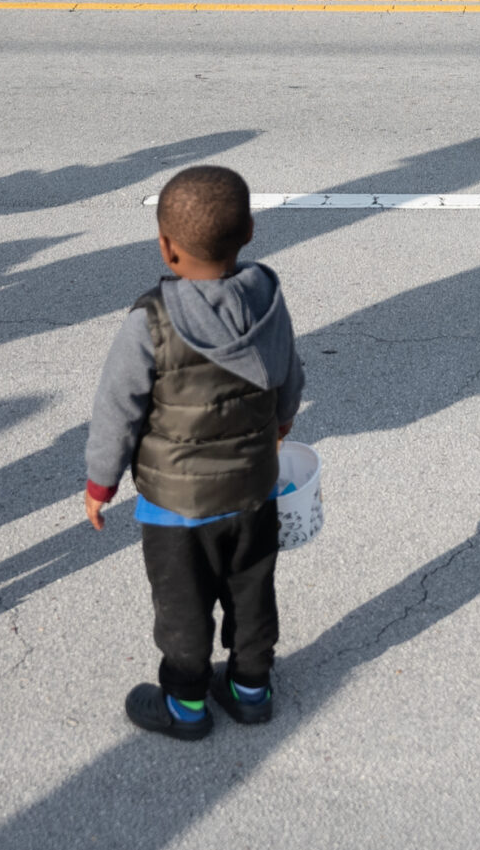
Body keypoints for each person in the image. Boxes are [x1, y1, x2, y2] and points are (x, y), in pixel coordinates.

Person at [85, 164, 303, 740]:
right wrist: (280, 425)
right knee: (251, 590)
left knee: (183, 609)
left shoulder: (150, 322)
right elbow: (290, 377)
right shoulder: (267, 302)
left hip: (173, 508)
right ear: (250, 230)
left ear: (165, 246)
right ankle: (251, 689)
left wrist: (99, 482)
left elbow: (117, 408)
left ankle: (185, 706)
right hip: (254, 491)